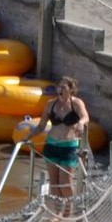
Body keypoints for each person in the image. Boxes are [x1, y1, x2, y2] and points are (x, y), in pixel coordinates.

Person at [39, 77, 86, 210]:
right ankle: (58, 211)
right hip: (52, 145)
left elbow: (85, 116)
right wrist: (28, 136)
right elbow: (41, 125)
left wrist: (81, 123)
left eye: (63, 87)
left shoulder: (76, 103)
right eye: (58, 87)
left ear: (70, 90)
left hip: (69, 146)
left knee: (65, 182)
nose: (60, 90)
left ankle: (68, 208)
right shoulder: (50, 104)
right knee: (54, 183)